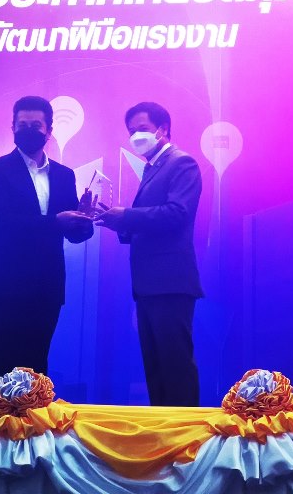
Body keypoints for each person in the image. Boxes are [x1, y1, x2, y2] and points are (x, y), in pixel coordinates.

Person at [0, 95, 93, 384]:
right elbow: (3, 223)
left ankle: (36, 416)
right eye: (22, 125)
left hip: (47, 282)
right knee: (6, 367)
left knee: (38, 364)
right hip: (6, 281)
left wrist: (85, 218)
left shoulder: (64, 175)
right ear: (13, 128)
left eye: (36, 125)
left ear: (49, 131)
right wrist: (57, 221)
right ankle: (4, 416)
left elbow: (74, 234)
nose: (28, 130)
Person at [96, 102, 203, 406]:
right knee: (156, 371)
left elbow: (177, 214)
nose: (135, 136)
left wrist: (127, 216)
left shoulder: (181, 163)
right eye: (131, 131)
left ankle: (184, 433)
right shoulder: (153, 167)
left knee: (175, 368)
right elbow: (150, 222)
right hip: (150, 285)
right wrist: (118, 222)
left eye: (142, 128)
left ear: (163, 128)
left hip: (170, 282)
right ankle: (163, 431)